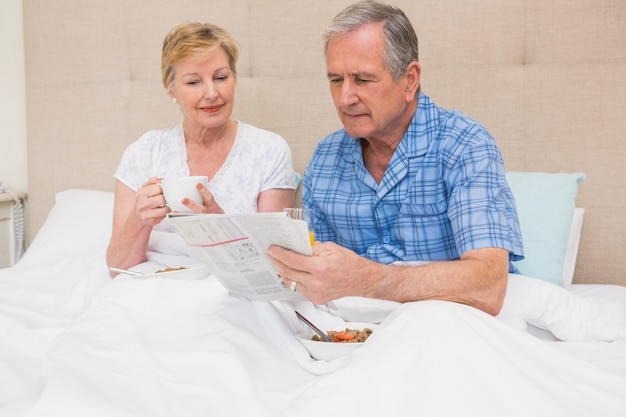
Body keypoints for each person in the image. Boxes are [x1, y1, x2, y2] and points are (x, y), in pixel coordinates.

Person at [267, 0, 524, 316]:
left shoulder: (465, 145)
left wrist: (371, 280)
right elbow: (319, 276)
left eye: (363, 79)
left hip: (452, 329)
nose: (345, 98)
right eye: (336, 80)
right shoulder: (325, 158)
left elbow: (487, 285)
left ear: (410, 79)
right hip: (356, 334)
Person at [107, 22, 296, 275]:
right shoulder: (144, 152)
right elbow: (116, 268)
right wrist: (139, 220)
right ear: (170, 88)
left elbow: (278, 266)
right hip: (150, 286)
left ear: (234, 79)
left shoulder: (269, 150)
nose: (211, 93)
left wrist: (220, 225)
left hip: (230, 290)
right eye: (194, 82)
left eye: (220, 78)